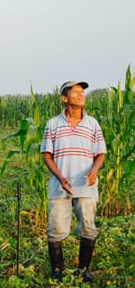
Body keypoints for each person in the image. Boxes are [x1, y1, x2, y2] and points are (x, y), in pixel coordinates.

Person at [41, 81, 106, 283]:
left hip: (85, 186)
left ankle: (83, 270)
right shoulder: (53, 123)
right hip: (60, 186)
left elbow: (100, 153)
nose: (80, 95)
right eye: (75, 92)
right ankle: (57, 271)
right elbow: (47, 155)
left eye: (82, 92)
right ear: (64, 98)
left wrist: (94, 171)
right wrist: (60, 177)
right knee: (55, 230)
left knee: (88, 227)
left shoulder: (92, 123)